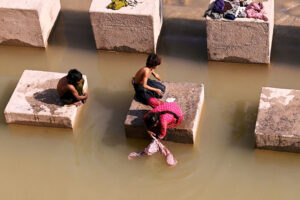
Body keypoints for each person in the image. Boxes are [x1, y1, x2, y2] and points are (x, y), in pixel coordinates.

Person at [128, 99, 183, 166]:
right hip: (171, 105)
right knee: (154, 130)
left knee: (158, 132)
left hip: (178, 114)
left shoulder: (163, 121)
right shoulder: (151, 113)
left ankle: (170, 158)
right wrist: (148, 130)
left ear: (157, 122)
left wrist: (157, 141)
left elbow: (162, 135)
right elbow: (144, 119)